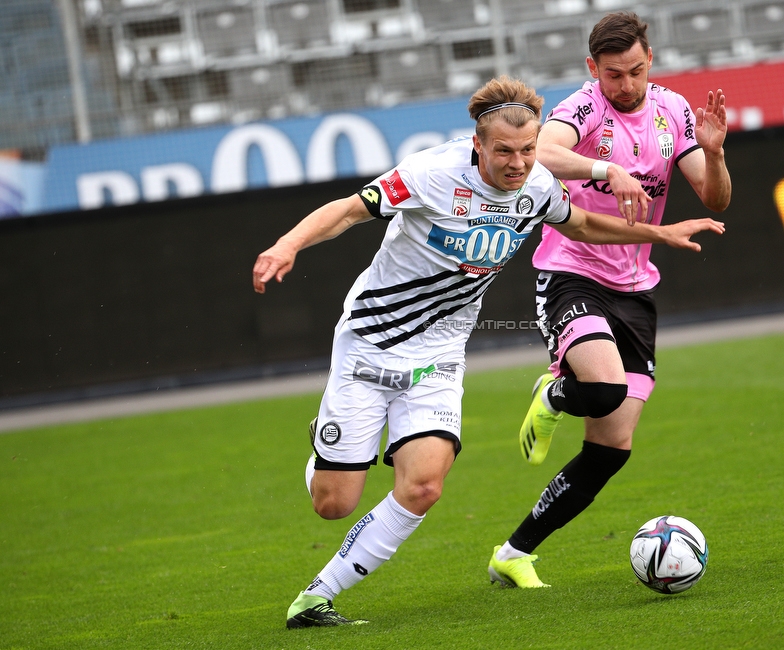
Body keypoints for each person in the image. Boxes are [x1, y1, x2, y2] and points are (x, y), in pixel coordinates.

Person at [253, 75, 724, 628]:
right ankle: (323, 444)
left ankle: (315, 598)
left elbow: (583, 224)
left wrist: (659, 234)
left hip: (441, 353)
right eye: (505, 150)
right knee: (333, 503)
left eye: (528, 150)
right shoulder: (432, 174)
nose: (519, 162)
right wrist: (287, 244)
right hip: (371, 344)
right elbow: (349, 210)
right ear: (478, 144)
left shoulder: (540, 184)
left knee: (425, 484)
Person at [488, 11, 732, 589]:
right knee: (600, 390)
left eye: (636, 71)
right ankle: (554, 393)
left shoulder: (672, 110)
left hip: (635, 287)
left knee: (612, 445)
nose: (626, 84)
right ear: (593, 69)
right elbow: (542, 153)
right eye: (614, 74)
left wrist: (716, 154)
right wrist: (607, 168)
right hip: (571, 271)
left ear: (651, 62)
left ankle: (514, 552)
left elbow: (715, 199)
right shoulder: (583, 109)